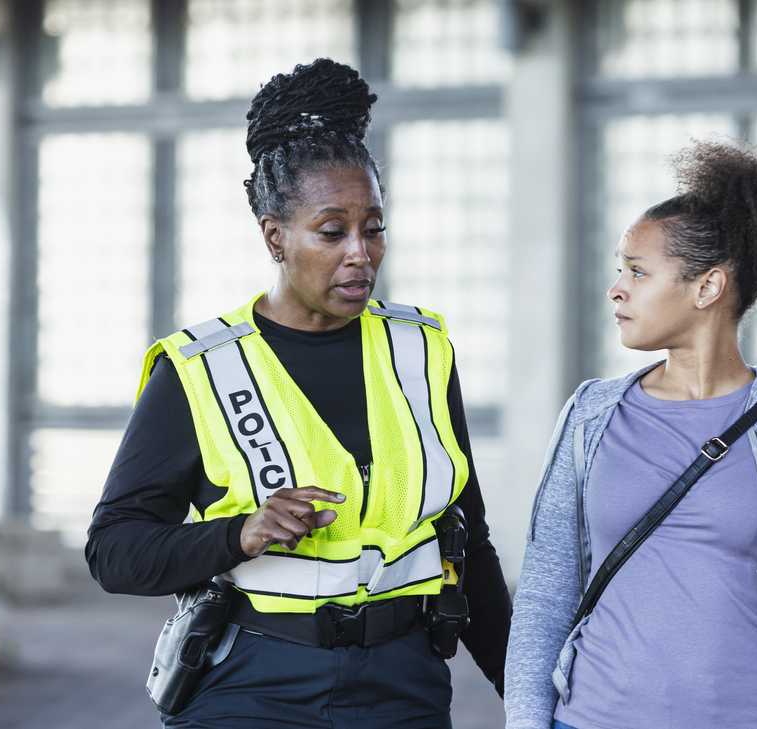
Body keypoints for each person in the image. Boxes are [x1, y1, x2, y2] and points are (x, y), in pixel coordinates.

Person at [85, 58, 511, 729]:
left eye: (374, 228)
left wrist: (523, 687)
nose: (361, 254)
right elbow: (114, 550)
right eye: (332, 231)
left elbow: (469, 539)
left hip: (404, 685)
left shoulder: (422, 351)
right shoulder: (201, 370)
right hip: (254, 685)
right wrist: (241, 533)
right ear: (275, 236)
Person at [504, 142, 757, 729]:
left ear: (708, 288)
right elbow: (545, 593)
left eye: (638, 271)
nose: (616, 288)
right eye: (620, 269)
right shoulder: (590, 415)